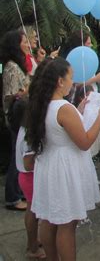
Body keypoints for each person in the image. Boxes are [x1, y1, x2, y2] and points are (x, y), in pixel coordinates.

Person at [26, 58, 100, 260]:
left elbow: (59, 129)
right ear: (60, 81)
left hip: (49, 164)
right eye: (70, 77)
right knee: (67, 223)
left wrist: (78, 111)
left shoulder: (43, 104)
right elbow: (85, 141)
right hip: (64, 169)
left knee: (50, 218)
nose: (73, 81)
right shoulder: (63, 107)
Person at [0, 30, 30, 211]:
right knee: (16, 156)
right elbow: (10, 95)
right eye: (24, 41)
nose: (27, 44)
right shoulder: (11, 67)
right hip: (16, 116)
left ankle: (18, 192)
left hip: (22, 114)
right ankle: (12, 197)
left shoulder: (18, 63)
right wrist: (25, 92)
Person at [13, 98, 46, 259]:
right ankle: (33, 248)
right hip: (30, 178)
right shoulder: (28, 134)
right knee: (33, 213)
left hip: (27, 178)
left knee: (32, 211)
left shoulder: (24, 128)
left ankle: (33, 241)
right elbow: (28, 164)